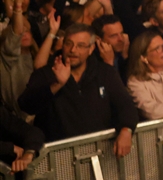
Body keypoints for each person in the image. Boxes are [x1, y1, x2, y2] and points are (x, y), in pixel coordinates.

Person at [19, 24, 139, 157]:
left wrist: (126, 130)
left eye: (81, 45)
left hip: (100, 153)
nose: (73, 50)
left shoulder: (105, 72)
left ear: (91, 48)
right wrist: (57, 84)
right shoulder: (46, 73)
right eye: (68, 44)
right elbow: (26, 105)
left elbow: (126, 105)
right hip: (58, 156)